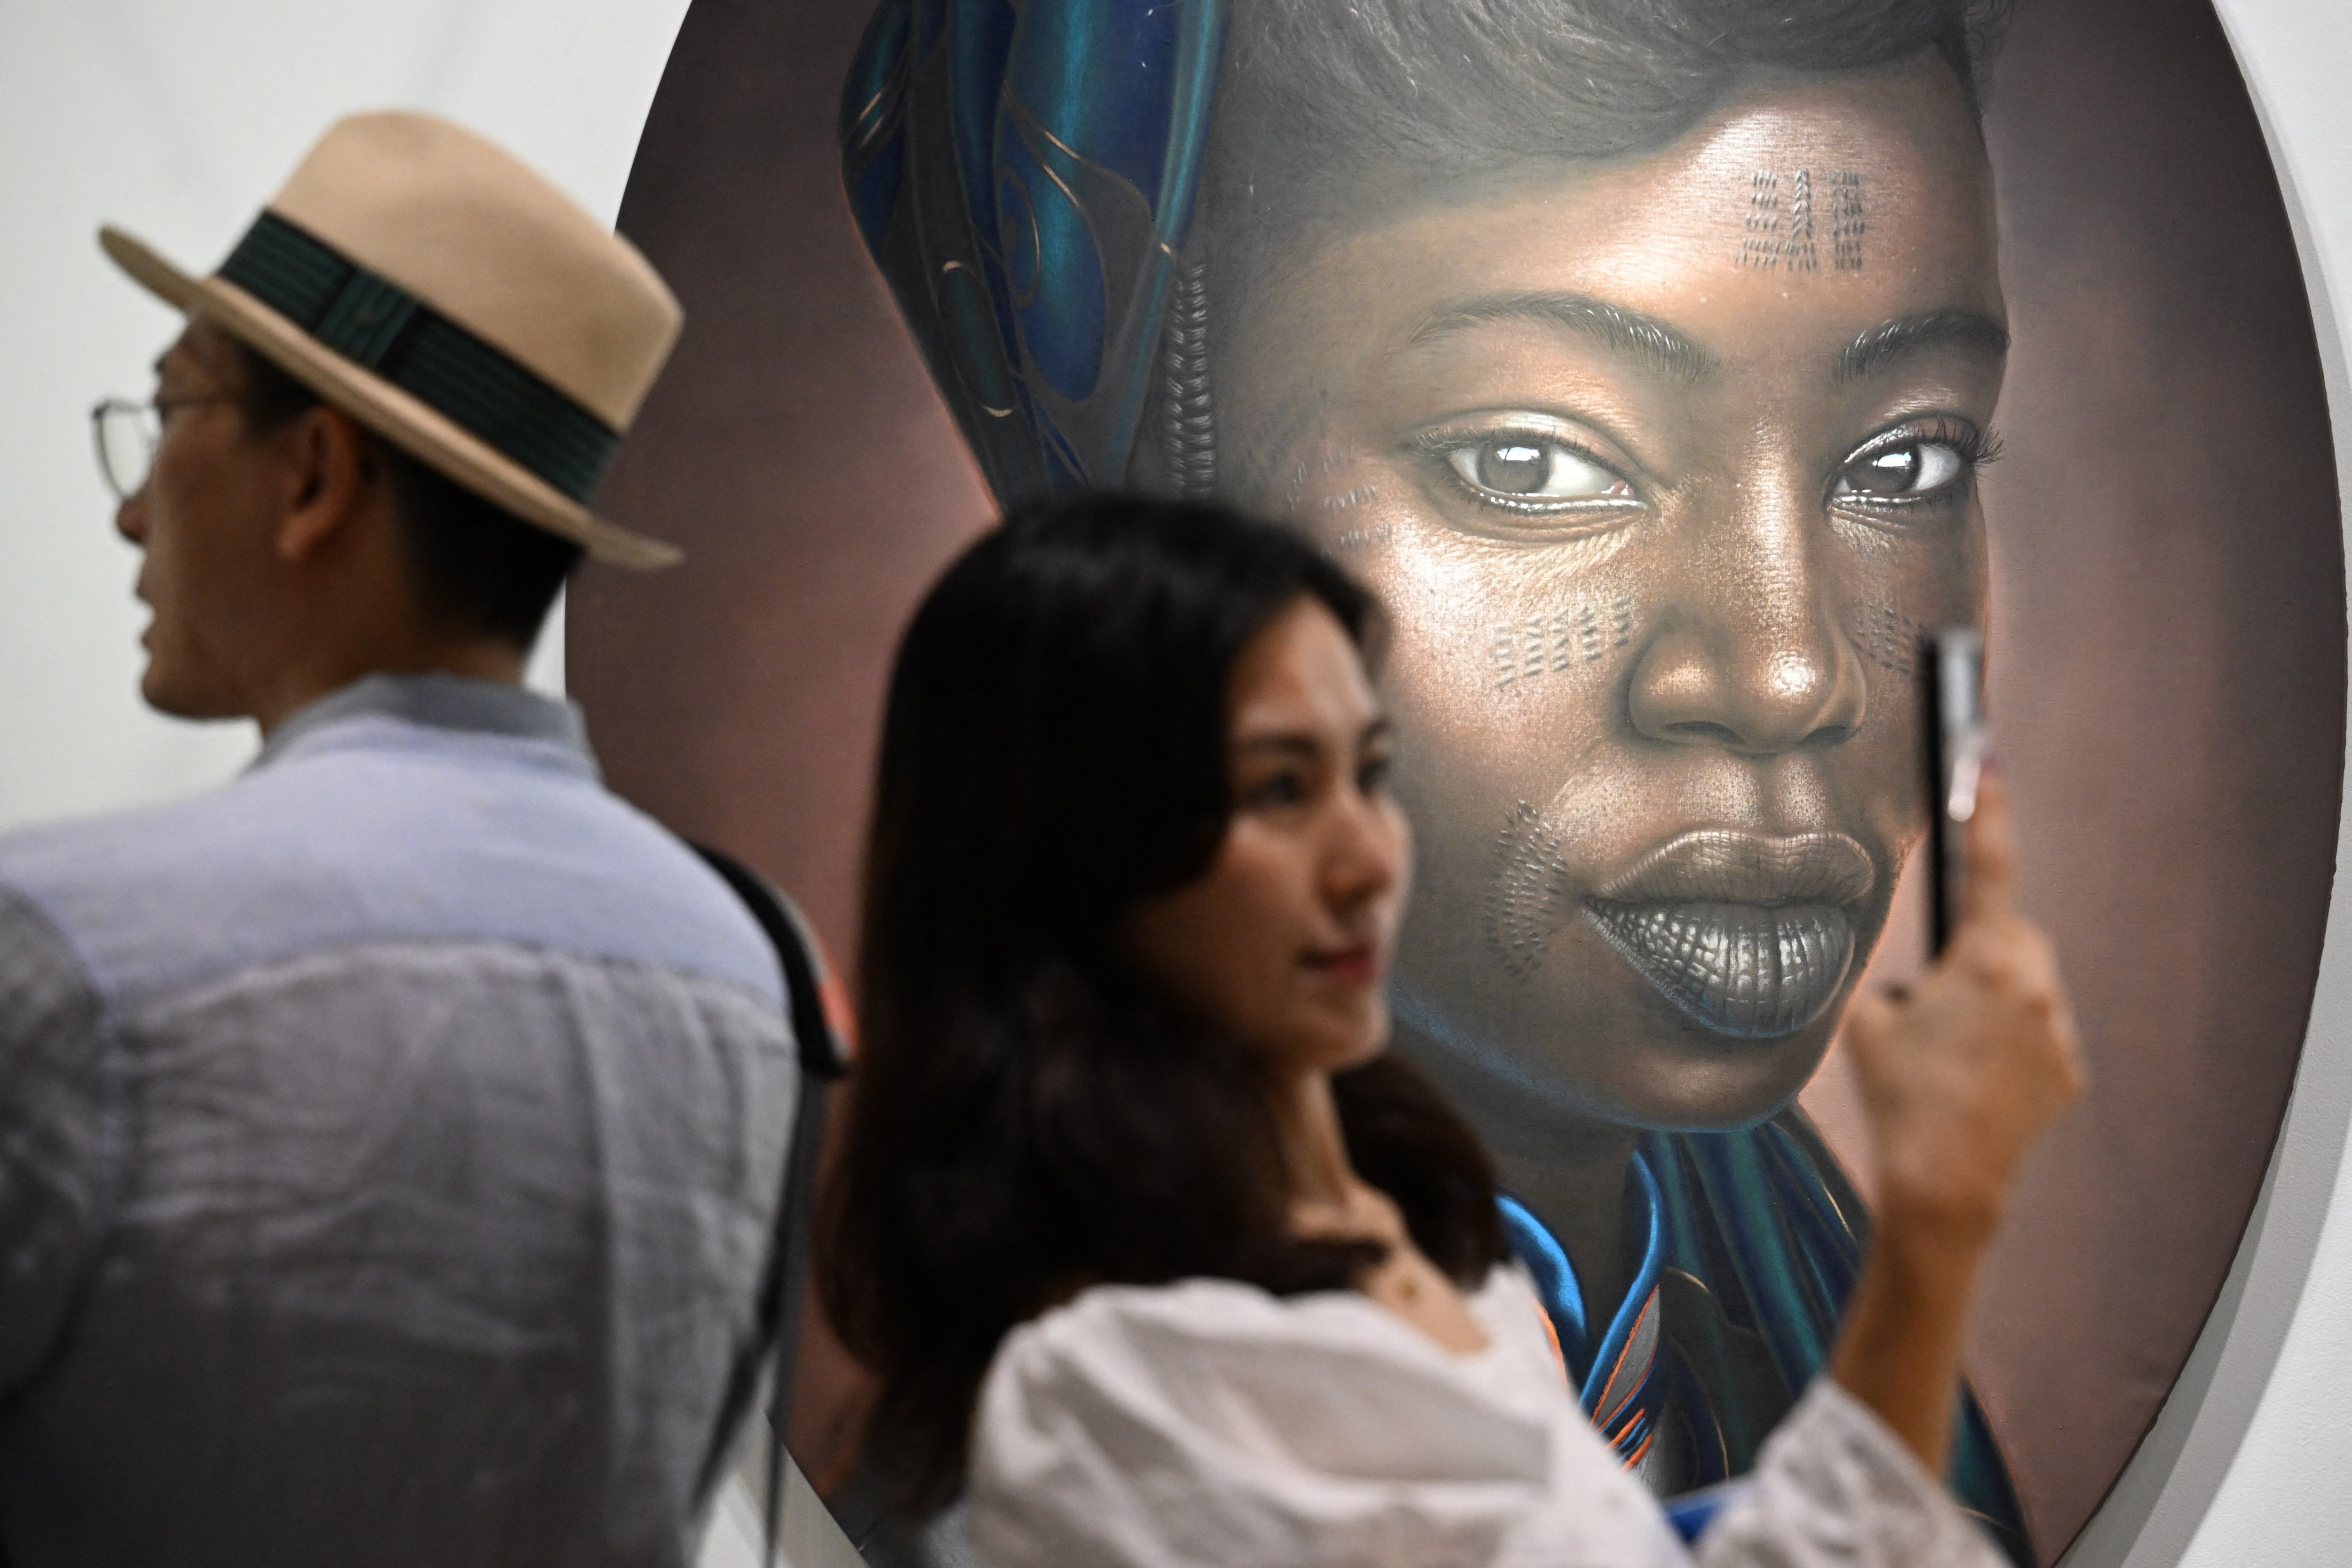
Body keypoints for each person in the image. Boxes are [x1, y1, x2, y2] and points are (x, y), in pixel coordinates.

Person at [840, 0, 2034, 1551]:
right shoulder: (1136, 1386)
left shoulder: (1714, 1292)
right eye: (1528, 462)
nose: (1787, 671)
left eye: (1908, 461)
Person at [820, 493, 2080, 1567]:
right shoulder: (1127, 1380)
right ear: (1071, 852)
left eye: (1370, 774)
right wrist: (1934, 1224)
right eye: (1278, 791)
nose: (1368, 859)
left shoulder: (1428, 1239)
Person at [0, 113, 796, 1565]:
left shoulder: (66, 956)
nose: (130, 508)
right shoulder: (741, 978)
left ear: (314, 477)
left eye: (169, 412)